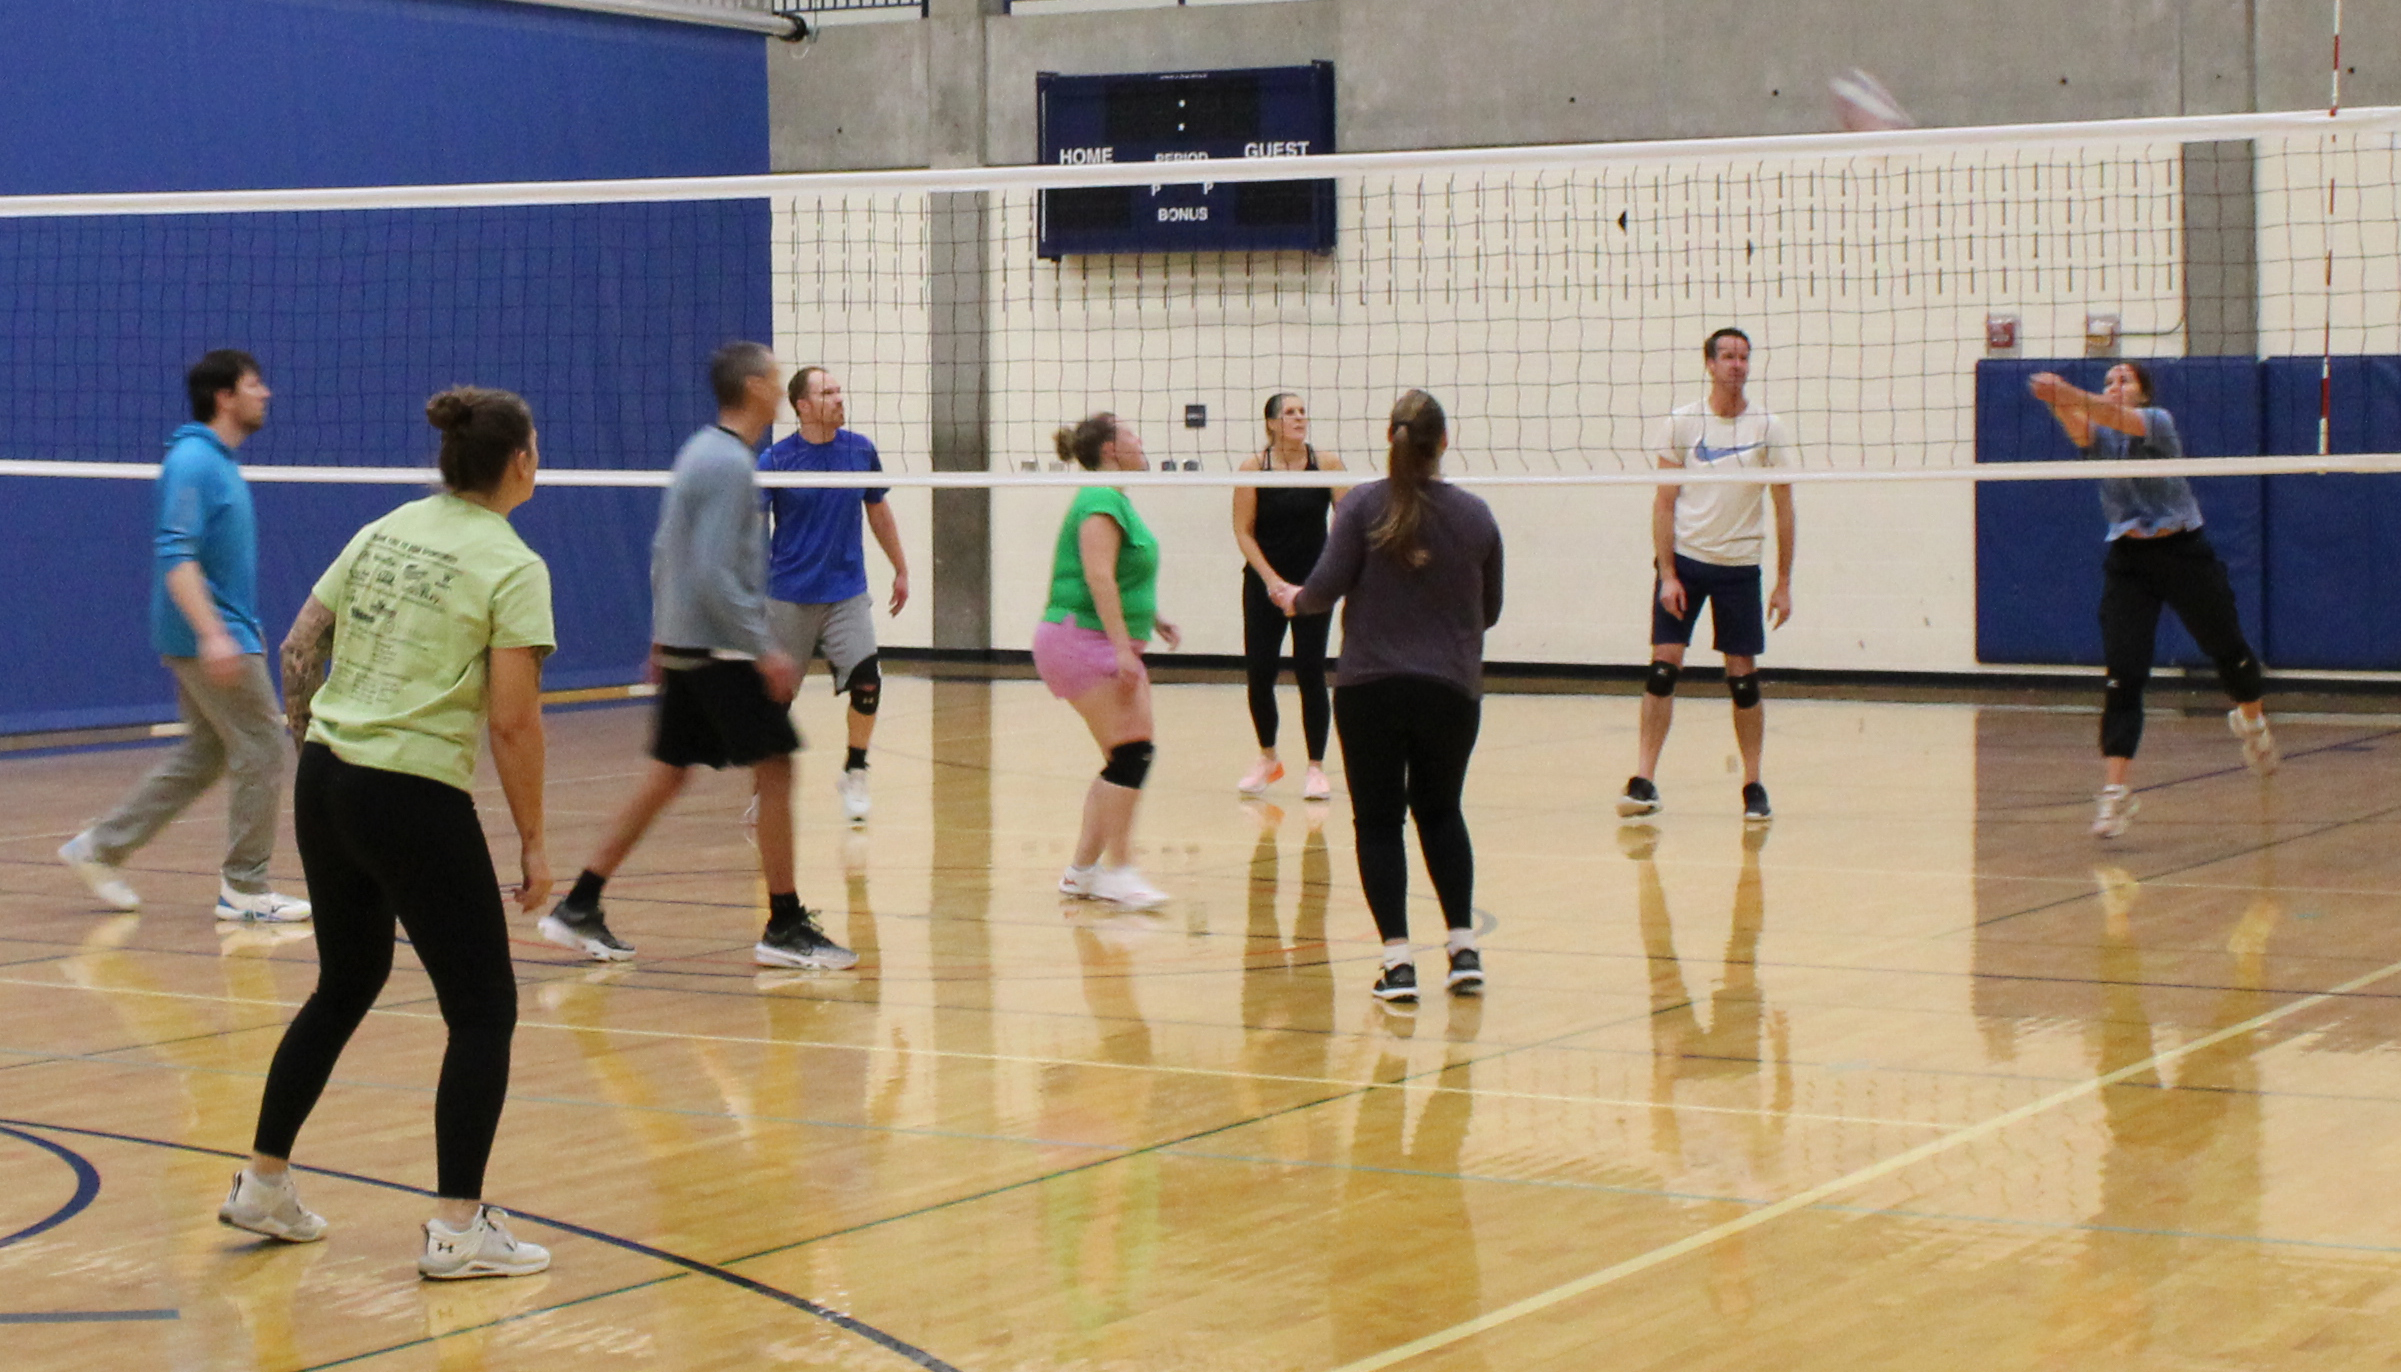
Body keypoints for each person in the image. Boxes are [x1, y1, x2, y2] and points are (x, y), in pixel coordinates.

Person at [220, 386, 554, 1279]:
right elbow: (515, 724)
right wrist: (534, 841)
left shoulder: (385, 528)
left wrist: (320, 750)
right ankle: (456, 1229)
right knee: (484, 1008)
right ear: (519, 461)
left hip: (328, 776)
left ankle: (264, 1182)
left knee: (348, 979)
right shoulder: (514, 566)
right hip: (412, 796)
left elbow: (297, 649)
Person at [539, 342, 856, 969]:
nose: (776, 381)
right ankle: (785, 925)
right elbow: (710, 572)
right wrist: (763, 647)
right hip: (719, 650)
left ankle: (580, 903)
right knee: (777, 767)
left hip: (691, 643)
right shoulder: (728, 465)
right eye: (772, 374)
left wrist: (663, 635)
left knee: (668, 774)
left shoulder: (701, 452)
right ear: (756, 388)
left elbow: (666, 552)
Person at [59, 349, 312, 923]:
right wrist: (214, 634)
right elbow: (176, 556)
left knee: (206, 752)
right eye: (254, 384)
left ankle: (100, 848)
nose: (265, 393)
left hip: (215, 633)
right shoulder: (194, 462)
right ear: (225, 396)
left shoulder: (215, 460)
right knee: (264, 745)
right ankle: (245, 888)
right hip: (212, 637)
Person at [1274, 391, 1503, 1004]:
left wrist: (1293, 598)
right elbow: (1491, 611)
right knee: (1442, 812)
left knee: (1379, 822)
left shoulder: (1364, 506)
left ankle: (1398, 964)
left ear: (1388, 437)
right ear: (1444, 443)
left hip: (1370, 688)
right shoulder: (1477, 515)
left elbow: (1321, 591)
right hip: (1451, 690)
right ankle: (1462, 950)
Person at [2029, 362, 2277, 837]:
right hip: (2129, 562)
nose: (2113, 387)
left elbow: (2103, 411)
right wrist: (2052, 398)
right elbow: (2080, 424)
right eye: (2108, 381)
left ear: (2143, 393)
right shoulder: (2101, 439)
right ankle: (2116, 793)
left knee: (2229, 653)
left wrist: (2068, 391)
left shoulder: (2156, 422)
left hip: (2183, 553)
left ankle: (2252, 721)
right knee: (2123, 676)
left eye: (2124, 380)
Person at [1617, 327, 1797, 825]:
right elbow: (1663, 502)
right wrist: (1668, 574)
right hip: (1686, 564)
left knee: (1742, 680)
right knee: (1662, 668)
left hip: (1739, 566)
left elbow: (1784, 506)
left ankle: (1753, 784)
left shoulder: (1768, 428)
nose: (1737, 365)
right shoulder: (1682, 424)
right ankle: (1644, 779)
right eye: (1728, 356)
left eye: (1744, 356)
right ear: (1710, 364)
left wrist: (1783, 582)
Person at [1039, 413, 1182, 910]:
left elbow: (1119, 574)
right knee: (1131, 754)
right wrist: (1123, 648)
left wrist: (1154, 618)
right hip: (1082, 640)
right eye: (1130, 434)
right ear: (1109, 449)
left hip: (1095, 638)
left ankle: (1081, 873)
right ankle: (1118, 870)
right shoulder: (1100, 497)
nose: (1140, 440)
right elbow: (1098, 577)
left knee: (1125, 757)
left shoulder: (1114, 498)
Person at [760, 366, 909, 823]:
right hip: (788, 593)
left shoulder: (860, 451)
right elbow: (750, 527)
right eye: (827, 392)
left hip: (846, 591)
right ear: (801, 406)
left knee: (867, 682)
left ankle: (855, 771)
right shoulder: (776, 461)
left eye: (839, 390)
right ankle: (765, 789)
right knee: (776, 701)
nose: (839, 398)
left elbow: (878, 512)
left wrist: (901, 569)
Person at [1232, 392, 1345, 801]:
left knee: (1310, 672)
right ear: (1272, 424)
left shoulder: (1326, 463)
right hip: (1265, 585)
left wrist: (1317, 583)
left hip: (1313, 586)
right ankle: (1268, 758)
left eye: (1302, 411)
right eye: (1290, 413)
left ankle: (1316, 767)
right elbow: (1243, 530)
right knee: (1260, 672)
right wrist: (1272, 581)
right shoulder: (1254, 467)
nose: (1300, 418)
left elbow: (1347, 525)